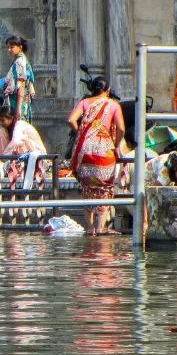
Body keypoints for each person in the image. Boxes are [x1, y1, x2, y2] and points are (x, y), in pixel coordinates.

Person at [67, 76, 125, 235]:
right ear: (108, 90)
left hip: (84, 150)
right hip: (104, 150)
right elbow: (121, 129)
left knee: (88, 188)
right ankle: (100, 228)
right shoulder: (113, 104)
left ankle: (89, 228)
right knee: (104, 189)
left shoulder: (85, 102)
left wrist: (82, 133)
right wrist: (116, 144)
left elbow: (71, 120)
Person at [3, 36, 36, 123]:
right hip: (21, 102)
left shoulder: (20, 62)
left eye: (12, 47)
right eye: (8, 47)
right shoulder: (21, 60)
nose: (9, 49)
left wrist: (18, 109)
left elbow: (21, 85)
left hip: (19, 102)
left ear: (20, 47)